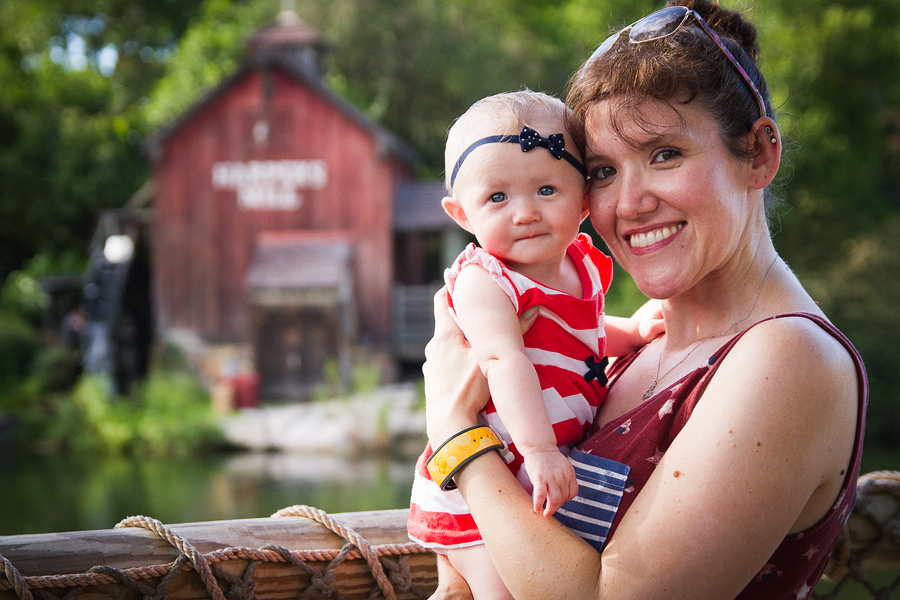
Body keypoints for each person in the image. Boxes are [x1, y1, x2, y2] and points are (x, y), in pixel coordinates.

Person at [420, 1, 868, 599]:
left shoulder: (789, 357)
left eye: (664, 154)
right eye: (603, 171)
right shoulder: (632, 348)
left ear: (759, 153)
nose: (628, 204)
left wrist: (457, 435)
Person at [407, 90, 664, 600]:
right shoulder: (486, 281)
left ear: (584, 198)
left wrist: (630, 334)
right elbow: (504, 359)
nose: (524, 213)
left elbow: (582, 335)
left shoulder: (581, 266)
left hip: (531, 479)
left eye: (547, 190)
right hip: (485, 477)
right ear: (462, 213)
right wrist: (541, 450)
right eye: (497, 198)